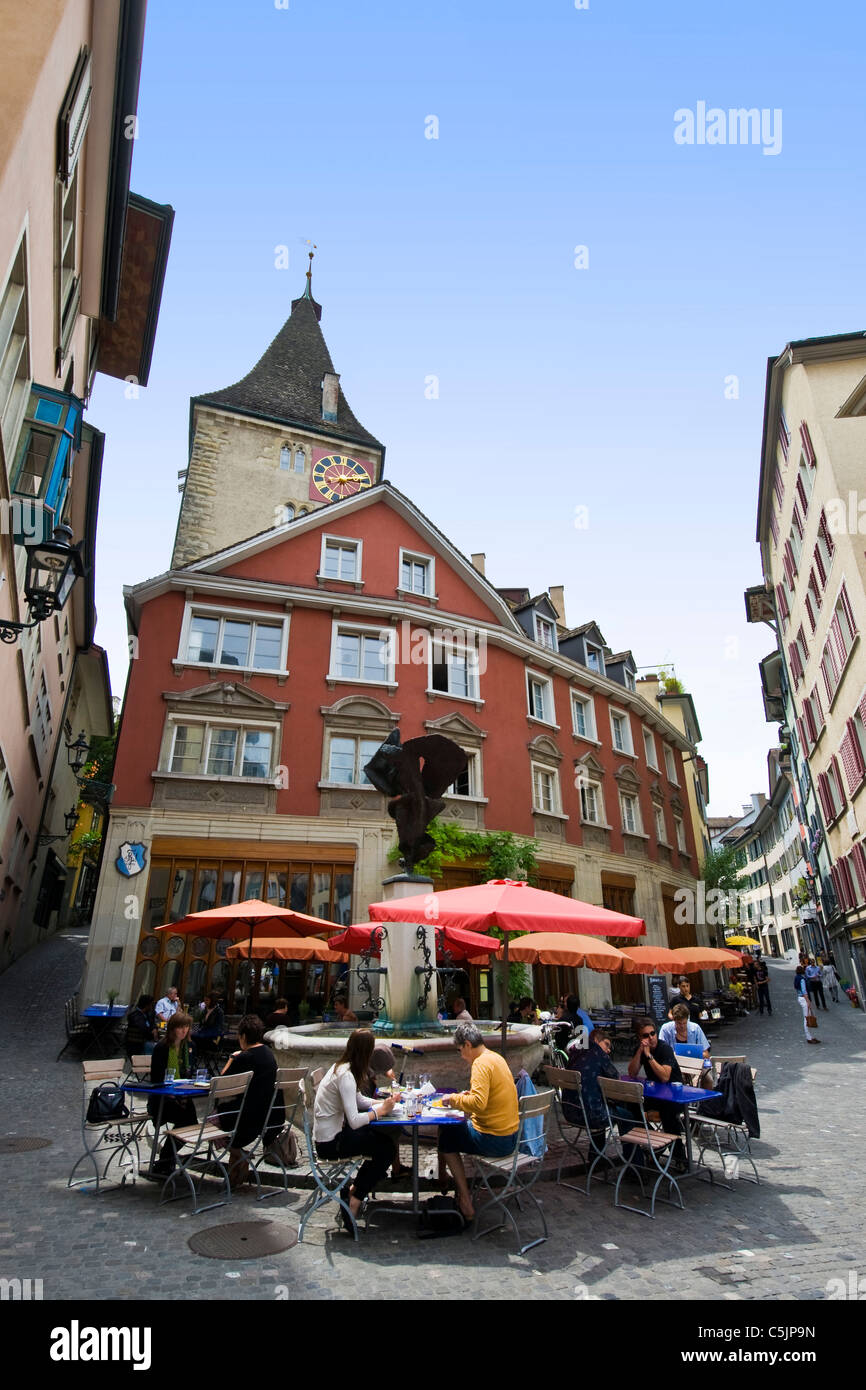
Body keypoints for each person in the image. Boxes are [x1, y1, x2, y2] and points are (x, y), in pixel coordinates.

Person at [313, 1029, 398, 1229]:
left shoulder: (342, 1067)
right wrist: (380, 1111)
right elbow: (354, 1121)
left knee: (383, 1143)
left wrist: (385, 1103)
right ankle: (355, 1198)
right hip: (331, 1144)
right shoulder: (346, 1076)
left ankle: (354, 1191)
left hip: (332, 1136)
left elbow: (358, 1100)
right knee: (386, 1149)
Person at [437, 1022, 520, 1222]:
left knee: (446, 1135)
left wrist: (453, 1099)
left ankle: (464, 1198)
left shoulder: (480, 1064)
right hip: (511, 1138)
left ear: (467, 1044)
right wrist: (468, 1096)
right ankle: (445, 1179)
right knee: (450, 1129)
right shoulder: (495, 1058)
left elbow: (478, 1104)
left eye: (460, 1050)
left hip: (495, 1140)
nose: (461, 1056)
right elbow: (486, 1097)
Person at [218, 1014, 283, 1188]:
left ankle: (238, 1154)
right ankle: (234, 1174)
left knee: (209, 1123)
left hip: (245, 1118)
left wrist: (232, 1057)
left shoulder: (245, 1057)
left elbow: (220, 1084)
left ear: (244, 1036)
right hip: (267, 1117)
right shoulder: (268, 1054)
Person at [627, 1017, 687, 1168]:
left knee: (668, 1114)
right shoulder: (642, 1049)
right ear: (640, 1038)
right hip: (655, 1095)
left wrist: (649, 1056)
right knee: (631, 1105)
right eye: (645, 1035)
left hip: (674, 1096)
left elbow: (665, 1076)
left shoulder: (664, 1048)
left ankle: (680, 1157)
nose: (651, 1038)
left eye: (652, 1033)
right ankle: (655, 1140)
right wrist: (640, 1051)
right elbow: (632, 1072)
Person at [149, 1011, 197, 1173]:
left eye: (186, 1027)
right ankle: (165, 1160)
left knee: (191, 1122)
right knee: (188, 1121)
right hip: (163, 1099)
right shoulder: (162, 1048)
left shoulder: (189, 1047)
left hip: (183, 1096)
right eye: (180, 1027)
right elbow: (156, 1078)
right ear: (172, 1028)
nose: (184, 1031)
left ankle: (165, 1159)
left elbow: (191, 1072)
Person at [564, 1028, 619, 1138]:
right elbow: (616, 1079)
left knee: (596, 1101)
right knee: (627, 1113)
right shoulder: (598, 1052)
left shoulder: (575, 1053)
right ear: (596, 1040)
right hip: (592, 1116)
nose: (608, 1050)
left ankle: (596, 1149)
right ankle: (634, 1150)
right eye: (606, 1044)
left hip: (569, 1112)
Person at [192, 991, 224, 1067]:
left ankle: (193, 1061)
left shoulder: (219, 1012)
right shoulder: (205, 1010)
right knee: (190, 1038)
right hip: (203, 1036)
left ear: (212, 1001)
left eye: (207, 1000)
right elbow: (200, 1022)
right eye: (204, 1000)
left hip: (213, 1039)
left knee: (193, 1041)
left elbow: (217, 1028)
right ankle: (192, 1061)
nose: (205, 1002)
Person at [794, 966, 820, 1044]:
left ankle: (810, 1036)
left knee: (807, 1017)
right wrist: (808, 1001)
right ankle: (809, 1037)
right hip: (804, 998)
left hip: (800, 997)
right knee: (807, 1018)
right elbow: (804, 991)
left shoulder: (796, 978)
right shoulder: (802, 979)